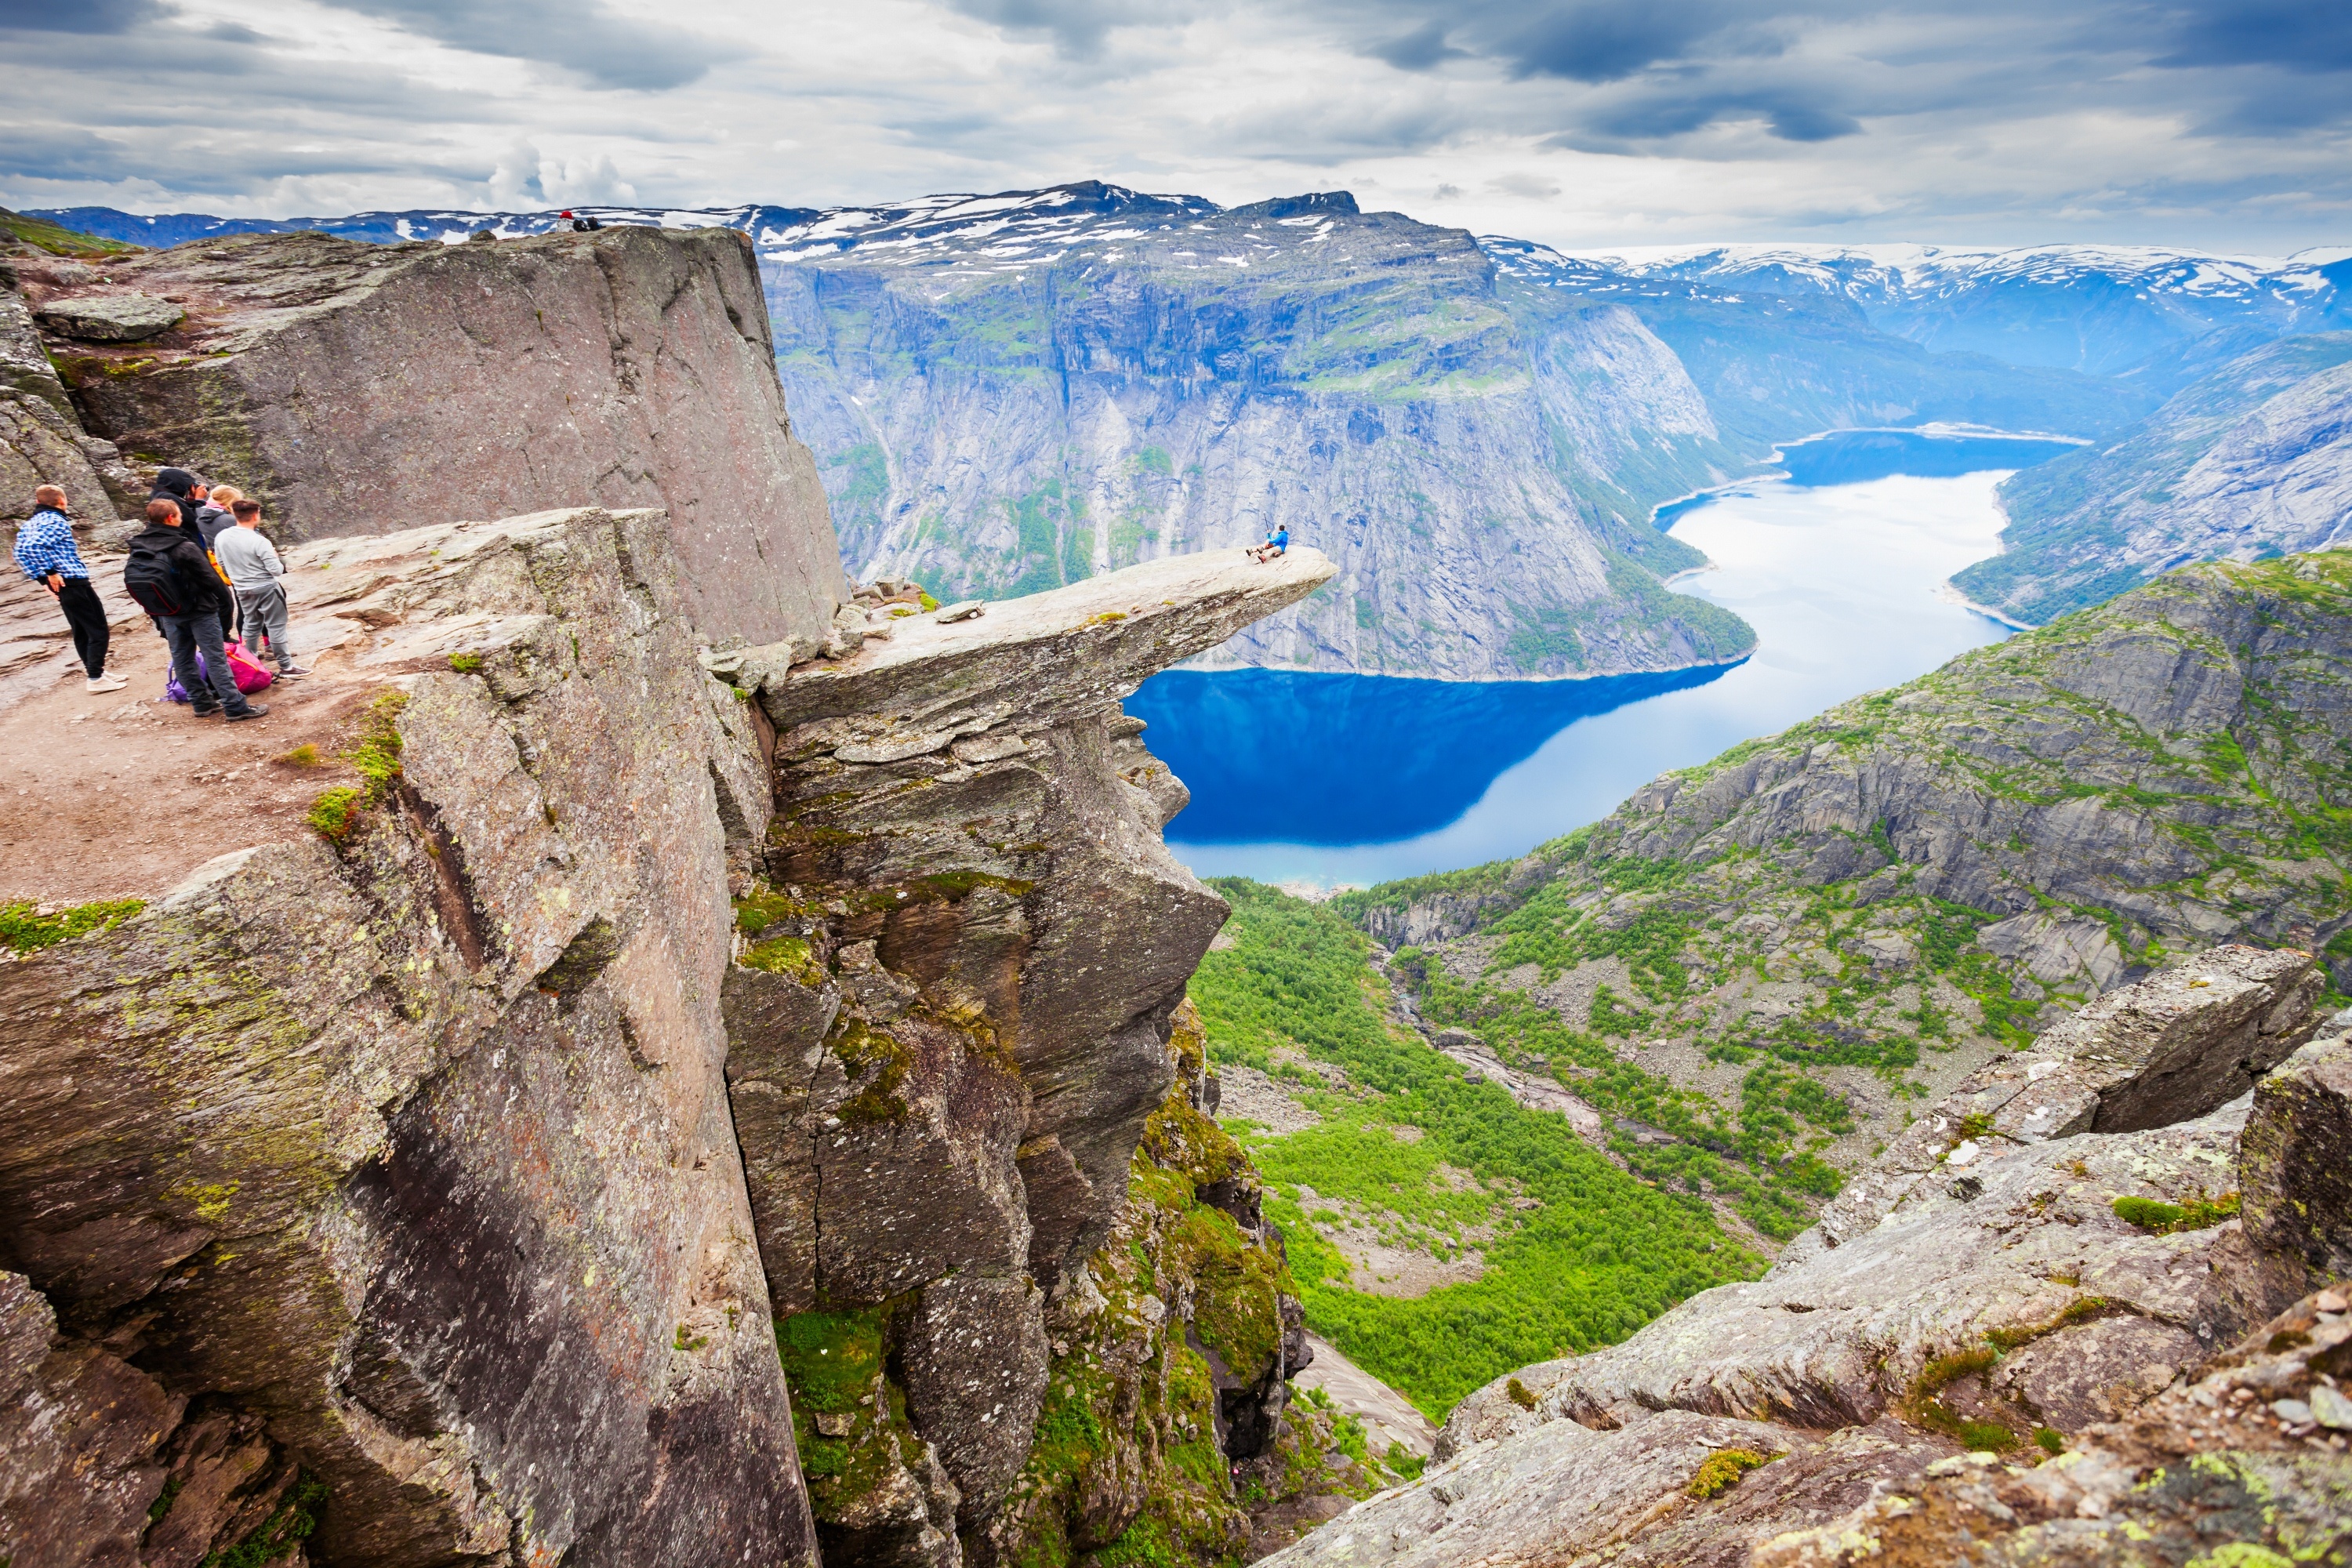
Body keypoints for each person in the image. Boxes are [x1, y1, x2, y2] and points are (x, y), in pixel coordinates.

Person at [124, 497, 266, 722]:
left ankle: (201, 702)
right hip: (199, 610)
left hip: (167, 612)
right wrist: (225, 614)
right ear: (171, 518)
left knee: (182, 657)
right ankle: (235, 706)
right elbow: (213, 582)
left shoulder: (138, 546)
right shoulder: (184, 547)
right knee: (215, 657)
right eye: (179, 514)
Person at [13, 484, 126, 694]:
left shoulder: (31, 523)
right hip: (73, 582)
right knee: (97, 629)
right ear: (62, 502)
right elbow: (33, 548)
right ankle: (95, 677)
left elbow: (20, 552)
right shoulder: (56, 521)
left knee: (81, 630)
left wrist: (42, 580)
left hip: (65, 585)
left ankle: (97, 672)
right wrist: (50, 572)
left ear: (38, 502)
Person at [214, 498, 306, 678]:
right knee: (276, 626)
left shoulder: (221, 537)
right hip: (266, 588)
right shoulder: (259, 540)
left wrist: (238, 579)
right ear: (256, 515)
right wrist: (274, 555)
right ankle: (286, 667)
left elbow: (222, 564)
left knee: (250, 624)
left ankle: (249, 663)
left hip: (242, 589)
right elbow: (277, 570)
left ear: (234, 514)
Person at [194, 483, 242, 641]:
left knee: (238, 603)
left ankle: (235, 639)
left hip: (215, 563)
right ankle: (262, 644)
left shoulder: (198, 514)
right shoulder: (230, 520)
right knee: (248, 607)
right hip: (239, 563)